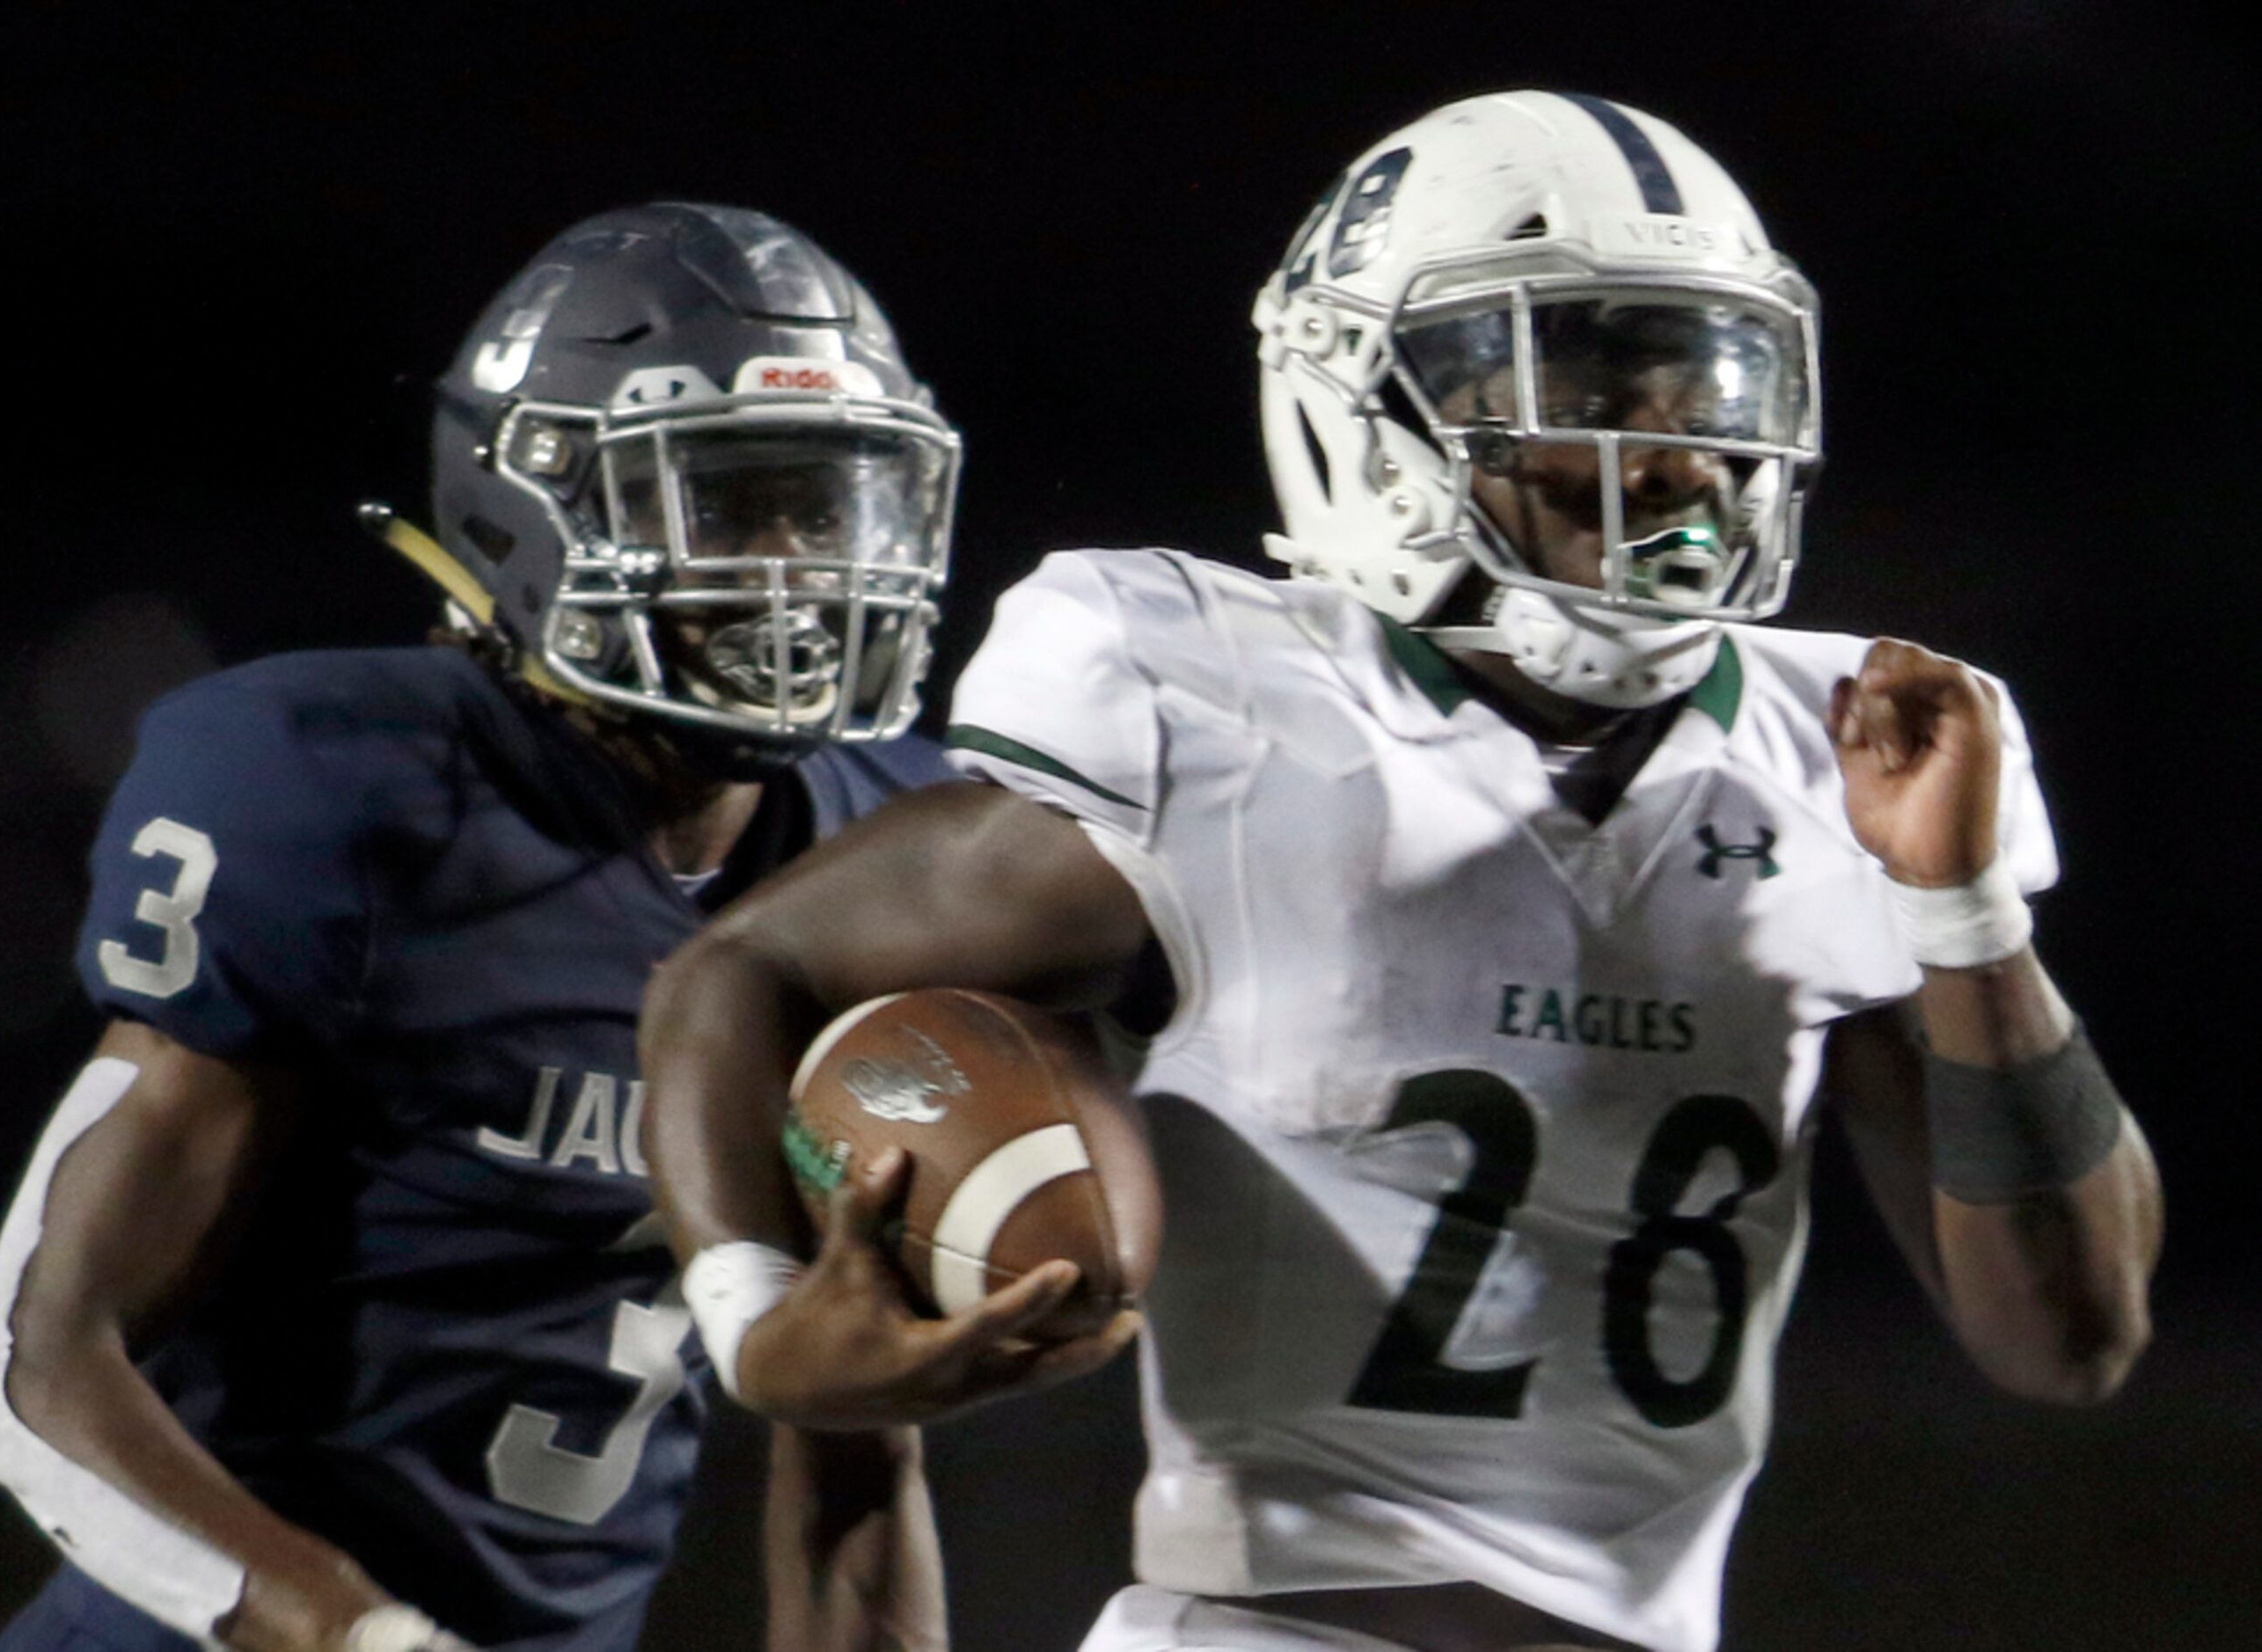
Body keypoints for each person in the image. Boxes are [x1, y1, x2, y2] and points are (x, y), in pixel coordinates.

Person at [637, 93, 2163, 1652]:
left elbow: (2068, 1339)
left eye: (1700, 375)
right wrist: (757, 1326)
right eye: (1575, 371)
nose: (1676, 450)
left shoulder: (1847, 752)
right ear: (1356, 408)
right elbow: (737, 972)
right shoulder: (1220, 718)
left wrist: (1958, 912)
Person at [0, 201, 997, 1652]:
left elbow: (858, 1435)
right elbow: (32, 1370)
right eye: (728, 501)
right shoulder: (340, 789)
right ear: (534, 509)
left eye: (826, 508)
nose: (794, 574)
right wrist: (365, 1635)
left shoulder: (892, 854)